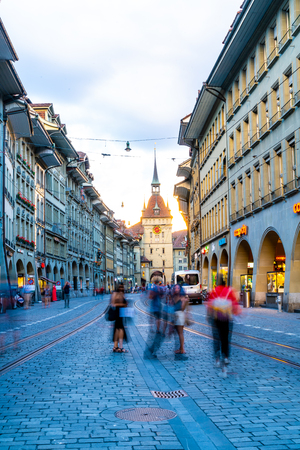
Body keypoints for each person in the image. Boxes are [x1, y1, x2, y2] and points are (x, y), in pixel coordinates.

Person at [206, 276, 241, 377]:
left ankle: (217, 359)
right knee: (226, 339)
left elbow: (209, 306)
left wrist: (209, 316)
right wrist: (236, 314)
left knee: (216, 338)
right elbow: (235, 305)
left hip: (216, 318)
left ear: (217, 283)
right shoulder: (229, 291)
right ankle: (226, 357)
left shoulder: (214, 291)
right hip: (227, 318)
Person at [111, 284, 128, 353]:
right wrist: (123, 304)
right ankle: (118, 347)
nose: (121, 288)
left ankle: (117, 346)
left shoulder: (122, 294)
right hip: (117, 313)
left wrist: (125, 304)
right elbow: (113, 304)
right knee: (119, 329)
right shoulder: (115, 293)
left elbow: (125, 304)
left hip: (122, 313)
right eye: (120, 287)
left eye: (122, 287)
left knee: (118, 329)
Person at [173, 284, 188, 354]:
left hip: (179, 315)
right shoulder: (174, 297)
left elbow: (183, 308)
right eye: (175, 288)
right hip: (176, 315)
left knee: (180, 333)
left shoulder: (182, 297)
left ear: (180, 290)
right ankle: (180, 348)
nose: (176, 289)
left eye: (177, 288)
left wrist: (184, 302)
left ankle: (182, 349)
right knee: (179, 333)